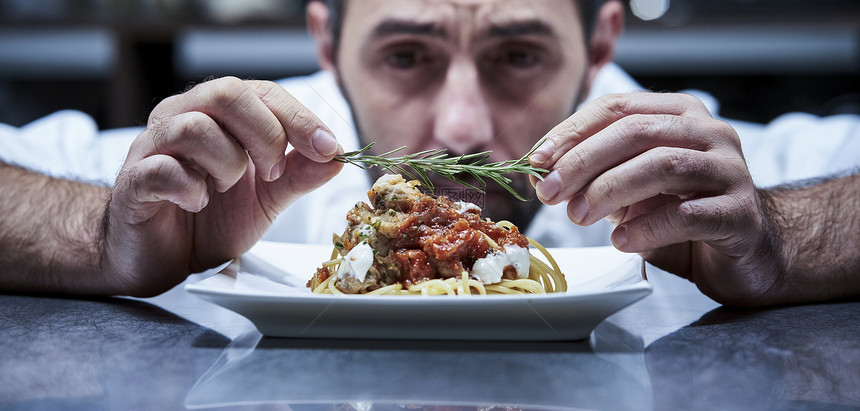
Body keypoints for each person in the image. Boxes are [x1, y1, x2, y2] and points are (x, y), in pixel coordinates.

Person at [1, 0, 858, 306]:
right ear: (326, 45)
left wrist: (784, 235)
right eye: (405, 56)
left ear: (600, 43)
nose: (457, 128)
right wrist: (98, 234)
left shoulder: (695, 169)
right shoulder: (239, 158)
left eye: (518, 56)